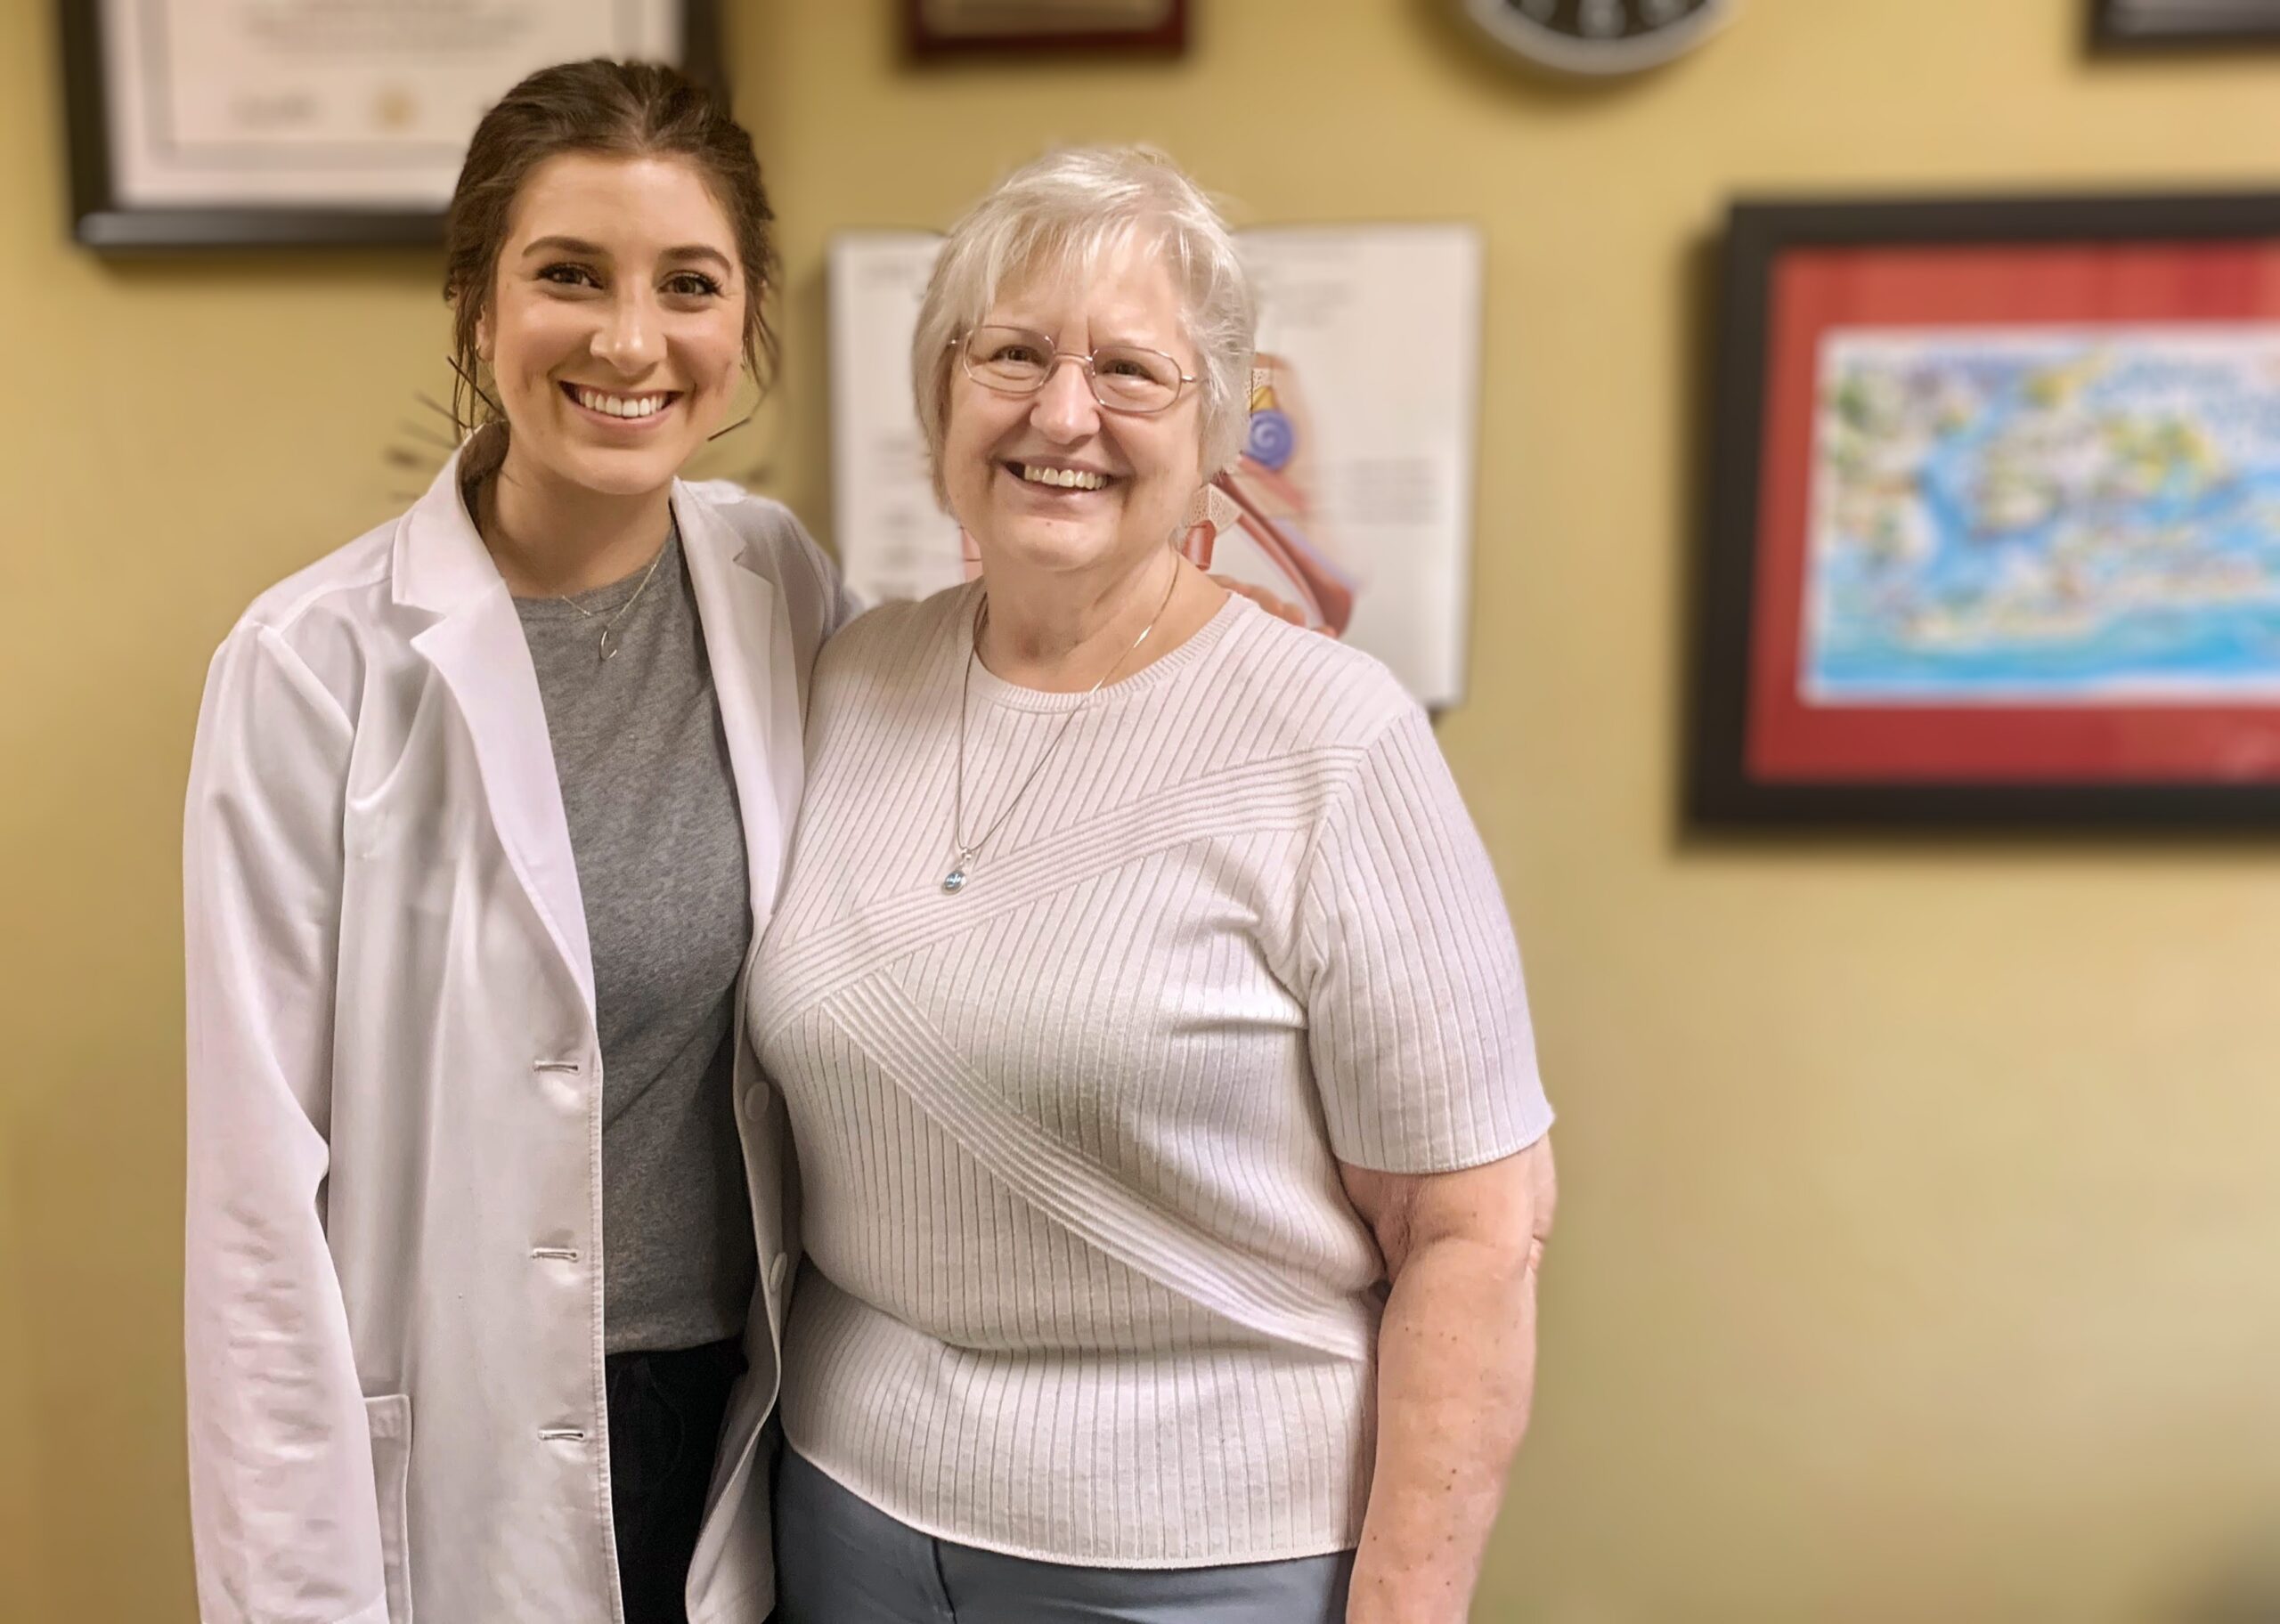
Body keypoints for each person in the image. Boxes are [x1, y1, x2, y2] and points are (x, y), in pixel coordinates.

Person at [753, 146, 1559, 1624]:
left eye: (1133, 372)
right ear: (941, 398)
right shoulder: (848, 677)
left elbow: (1476, 1230)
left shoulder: (1334, 737)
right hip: (844, 1511)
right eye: (1012, 355)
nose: (1064, 415)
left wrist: (1406, 1607)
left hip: (1203, 1564)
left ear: (1222, 434)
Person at [183, 60, 853, 1624]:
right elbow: (257, 1212)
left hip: (756, 1428)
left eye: (689, 284)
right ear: (479, 307)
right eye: (570, 276)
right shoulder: (312, 669)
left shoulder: (783, 588)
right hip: (472, 1450)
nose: (631, 341)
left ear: (744, 324)